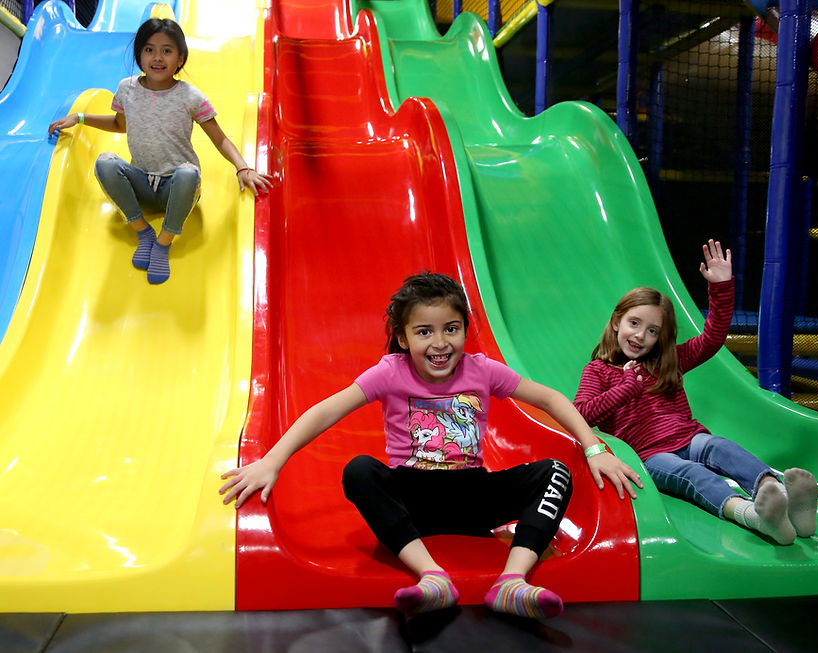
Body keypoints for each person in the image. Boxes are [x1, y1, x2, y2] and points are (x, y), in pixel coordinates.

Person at [219, 272, 642, 619]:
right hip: (413, 497)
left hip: (474, 496)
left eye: (451, 329)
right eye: (425, 332)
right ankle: (432, 577)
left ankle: (512, 581)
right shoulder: (390, 372)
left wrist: (594, 448)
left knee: (554, 472)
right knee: (359, 470)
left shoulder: (482, 370)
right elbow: (326, 412)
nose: (440, 343)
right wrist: (271, 461)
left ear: (464, 331)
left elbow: (550, 398)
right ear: (403, 339)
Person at [573, 240, 818, 545]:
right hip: (650, 456)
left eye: (652, 331)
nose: (640, 335)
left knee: (720, 446)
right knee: (692, 474)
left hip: (690, 439)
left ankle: (784, 499)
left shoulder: (669, 361)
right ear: (615, 322)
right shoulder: (598, 370)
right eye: (634, 323)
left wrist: (722, 286)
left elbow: (713, 337)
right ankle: (754, 516)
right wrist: (626, 389)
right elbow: (581, 413)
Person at [47, 17, 273, 284]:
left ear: (180, 58)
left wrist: (243, 167)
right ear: (139, 55)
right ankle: (143, 232)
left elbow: (220, 139)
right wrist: (81, 118)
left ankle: (163, 242)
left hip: (178, 189)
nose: (157, 57)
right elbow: (121, 125)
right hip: (141, 184)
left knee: (189, 173)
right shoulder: (126, 89)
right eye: (149, 49)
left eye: (167, 50)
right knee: (105, 162)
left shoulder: (190, 97)